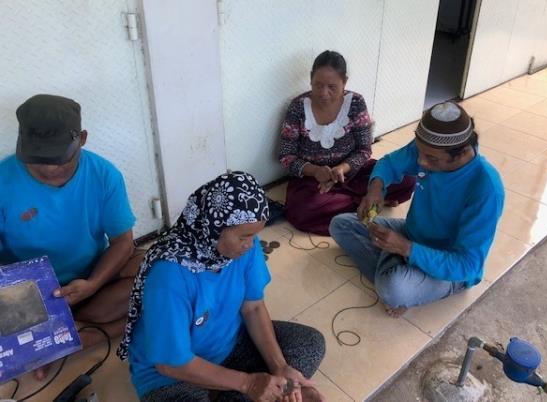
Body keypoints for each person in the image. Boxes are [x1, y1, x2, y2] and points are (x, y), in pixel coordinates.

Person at [118, 171, 326, 402]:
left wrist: (279, 368)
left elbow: (253, 308)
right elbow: (170, 365)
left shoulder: (245, 246)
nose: (250, 245)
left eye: (255, 235)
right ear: (214, 228)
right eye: (244, 237)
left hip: (230, 346)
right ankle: (236, 390)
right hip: (171, 375)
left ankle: (237, 390)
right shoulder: (169, 274)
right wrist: (248, 383)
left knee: (310, 344)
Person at [0, 94, 139, 377]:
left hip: (89, 279)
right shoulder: (3, 179)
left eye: (60, 158)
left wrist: (92, 283)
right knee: (148, 314)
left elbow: (123, 242)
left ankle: (58, 338)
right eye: (38, 159)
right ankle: (73, 334)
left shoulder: (104, 175)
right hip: (26, 292)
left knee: (156, 273)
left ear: (83, 139)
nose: (50, 169)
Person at [329, 102, 504, 317]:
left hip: (450, 269)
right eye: (420, 153)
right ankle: (400, 277)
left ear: (461, 153)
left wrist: (406, 249)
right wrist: (376, 188)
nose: (421, 162)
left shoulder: (486, 188)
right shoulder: (430, 149)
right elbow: (389, 164)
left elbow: (467, 265)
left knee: (394, 288)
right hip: (411, 233)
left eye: (431, 158)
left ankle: (400, 282)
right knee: (341, 225)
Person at [279, 50, 415, 236]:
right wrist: (315, 171)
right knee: (302, 210)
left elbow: (364, 149)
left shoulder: (356, 103)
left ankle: (358, 204)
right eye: (318, 85)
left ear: (345, 83)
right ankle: (369, 203)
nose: (324, 93)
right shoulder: (297, 108)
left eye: (332, 87)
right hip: (313, 181)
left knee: (406, 179)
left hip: (354, 172)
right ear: (310, 80)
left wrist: (343, 168)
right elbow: (286, 157)